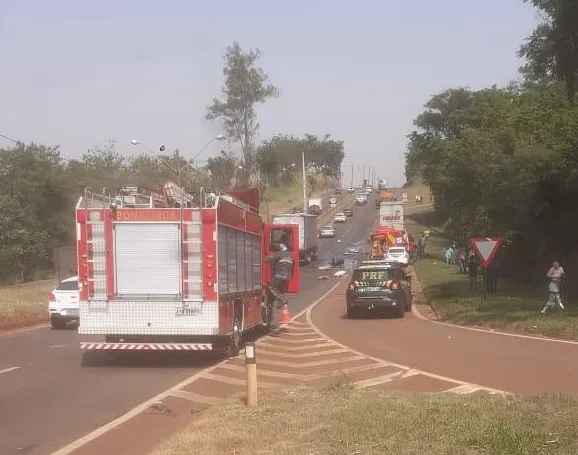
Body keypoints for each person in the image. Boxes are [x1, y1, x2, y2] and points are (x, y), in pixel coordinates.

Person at [265, 243, 295, 309]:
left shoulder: (279, 253)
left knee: (271, 287)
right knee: (279, 288)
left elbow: (269, 259)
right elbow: (293, 268)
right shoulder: (290, 255)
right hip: (287, 276)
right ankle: (281, 300)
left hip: (279, 275)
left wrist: (262, 259)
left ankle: (281, 300)